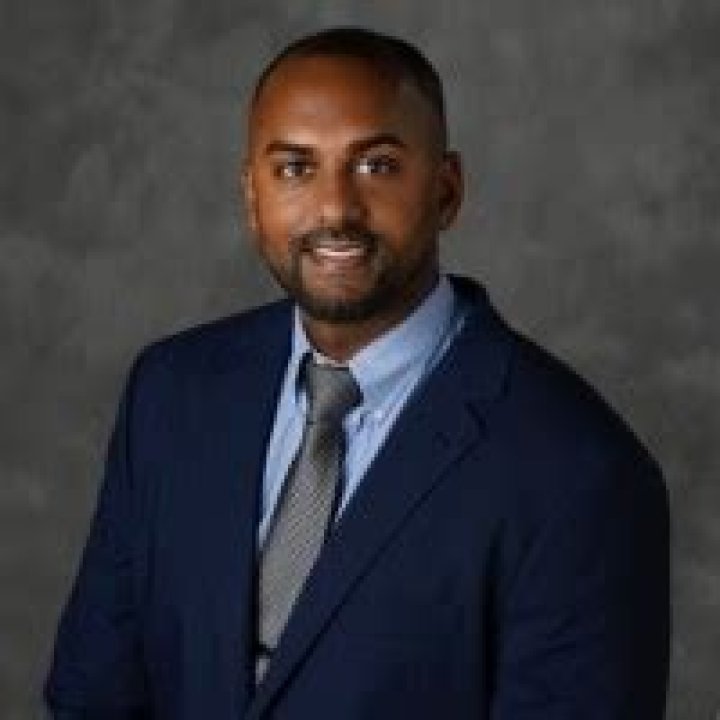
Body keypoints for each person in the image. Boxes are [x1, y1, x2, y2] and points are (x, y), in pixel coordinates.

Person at [45, 27, 670, 719]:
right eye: (295, 168)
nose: (335, 209)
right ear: (252, 196)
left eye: (377, 165)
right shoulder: (171, 395)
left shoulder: (579, 472)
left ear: (446, 190)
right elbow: (93, 695)